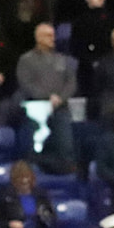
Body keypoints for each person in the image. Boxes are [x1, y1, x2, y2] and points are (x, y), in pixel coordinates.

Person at [15, 22, 77, 174]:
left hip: (60, 109)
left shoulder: (63, 59)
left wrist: (60, 99)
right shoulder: (26, 60)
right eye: (49, 35)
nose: (53, 38)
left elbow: (71, 83)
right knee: (36, 149)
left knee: (65, 147)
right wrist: (47, 97)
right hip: (37, 111)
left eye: (53, 35)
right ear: (39, 38)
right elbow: (26, 83)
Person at [69, 0, 114, 96]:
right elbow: (75, 47)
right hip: (87, 66)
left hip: (109, 64)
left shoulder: (112, 19)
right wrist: (90, 59)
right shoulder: (79, 21)